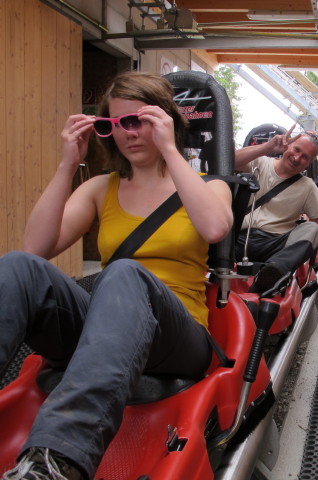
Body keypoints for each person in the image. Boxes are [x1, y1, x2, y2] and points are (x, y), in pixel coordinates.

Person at [0, 71, 233, 480]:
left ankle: (56, 461)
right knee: (18, 268)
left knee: (125, 273)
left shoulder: (210, 185)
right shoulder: (99, 188)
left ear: (164, 120)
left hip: (178, 335)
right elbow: (34, 249)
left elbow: (215, 229)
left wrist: (171, 151)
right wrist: (66, 164)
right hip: (109, 324)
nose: (127, 133)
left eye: (136, 120)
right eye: (113, 124)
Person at [234, 126, 318, 293]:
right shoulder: (259, 163)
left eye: (304, 157)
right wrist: (266, 147)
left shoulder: (307, 186)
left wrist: (316, 243)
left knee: (312, 229)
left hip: (275, 244)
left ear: (309, 163)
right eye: (296, 150)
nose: (297, 157)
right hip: (239, 238)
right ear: (288, 146)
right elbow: (229, 160)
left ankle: (273, 272)